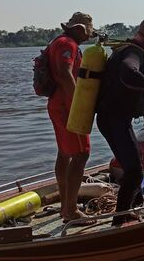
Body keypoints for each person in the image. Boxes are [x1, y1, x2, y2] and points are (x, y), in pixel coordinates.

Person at [96, 17, 144, 225]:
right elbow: (128, 72)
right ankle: (119, 222)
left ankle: (130, 208)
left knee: (133, 164)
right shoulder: (133, 53)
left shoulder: (124, 49)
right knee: (135, 171)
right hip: (115, 120)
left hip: (109, 119)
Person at [47, 12, 94, 223]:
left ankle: (65, 207)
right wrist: (79, 104)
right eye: (89, 30)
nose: (90, 34)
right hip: (67, 106)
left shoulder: (57, 42)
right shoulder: (69, 44)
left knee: (64, 153)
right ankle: (71, 211)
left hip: (56, 103)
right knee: (81, 154)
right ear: (80, 29)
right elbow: (65, 72)